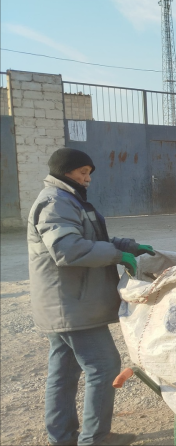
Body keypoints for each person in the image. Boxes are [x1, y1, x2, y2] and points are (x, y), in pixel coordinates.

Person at [29, 148, 154, 446]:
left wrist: (128, 246)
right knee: (105, 366)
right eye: (82, 173)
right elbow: (67, 249)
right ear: (64, 172)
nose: (87, 179)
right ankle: (95, 439)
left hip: (68, 302)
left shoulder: (68, 199)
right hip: (71, 304)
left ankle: (63, 437)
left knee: (64, 372)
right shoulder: (54, 201)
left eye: (89, 173)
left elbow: (88, 239)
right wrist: (116, 254)